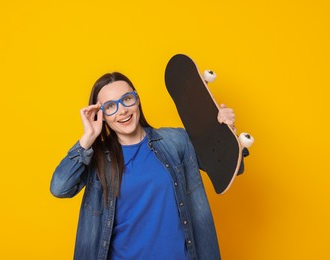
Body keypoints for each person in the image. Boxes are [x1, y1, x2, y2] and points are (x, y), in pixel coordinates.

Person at [50, 72, 245, 260]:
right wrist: (88, 138)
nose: (122, 110)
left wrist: (224, 132)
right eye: (110, 106)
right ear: (100, 115)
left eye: (127, 99)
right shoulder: (98, 157)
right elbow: (60, 188)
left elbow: (228, 167)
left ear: (137, 99)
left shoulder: (175, 141)